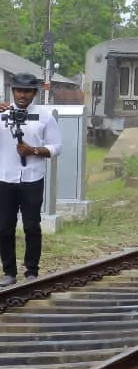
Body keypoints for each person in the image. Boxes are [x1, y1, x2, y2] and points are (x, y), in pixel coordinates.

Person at [0, 73, 61, 286]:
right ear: (13, 91)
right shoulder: (2, 114)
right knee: (4, 227)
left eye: (27, 91)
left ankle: (31, 271)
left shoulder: (44, 117)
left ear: (34, 93)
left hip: (33, 179)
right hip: (5, 178)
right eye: (18, 90)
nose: (22, 95)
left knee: (31, 227)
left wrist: (33, 150)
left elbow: (56, 147)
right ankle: (9, 272)